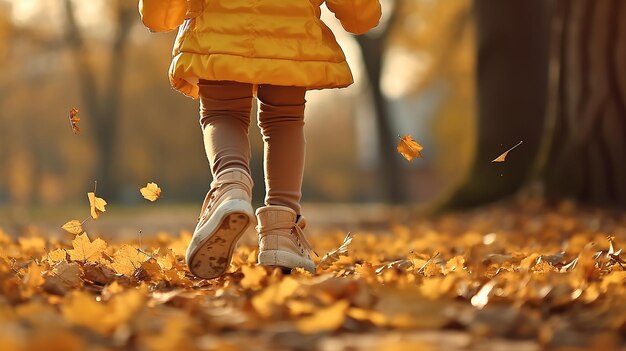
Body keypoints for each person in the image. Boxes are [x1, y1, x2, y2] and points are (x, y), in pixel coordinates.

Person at [138, 0, 382, 279]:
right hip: (291, 32)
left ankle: (230, 186)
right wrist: (362, 14)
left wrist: (159, 13)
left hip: (221, 28)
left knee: (223, 114)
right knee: (284, 122)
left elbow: (159, 12)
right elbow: (360, 14)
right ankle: (281, 231)